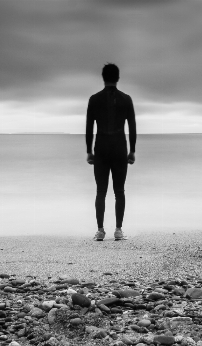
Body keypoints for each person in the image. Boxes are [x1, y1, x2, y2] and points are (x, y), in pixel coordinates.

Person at [86, 63, 137, 241]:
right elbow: (132, 126)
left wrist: (88, 150)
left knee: (101, 191)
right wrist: (132, 150)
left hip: (100, 147)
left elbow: (89, 127)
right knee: (119, 190)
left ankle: (100, 231)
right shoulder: (126, 99)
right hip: (119, 148)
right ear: (118, 78)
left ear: (103, 77)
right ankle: (118, 230)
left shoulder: (94, 99)